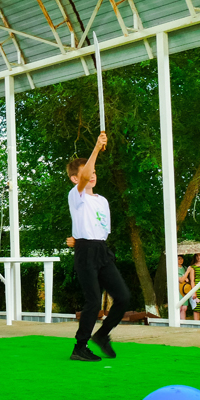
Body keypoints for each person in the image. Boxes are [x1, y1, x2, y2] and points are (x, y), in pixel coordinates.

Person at [67, 132, 130, 362]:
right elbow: (84, 178)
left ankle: (102, 335)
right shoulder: (77, 195)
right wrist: (96, 147)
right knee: (93, 301)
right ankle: (79, 347)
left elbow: (96, 228)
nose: (92, 175)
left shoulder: (102, 200)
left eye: (94, 172)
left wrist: (76, 238)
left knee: (123, 297)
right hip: (85, 252)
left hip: (102, 250)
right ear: (75, 178)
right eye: (87, 172)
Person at [182, 253, 200, 321]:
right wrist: (194, 292)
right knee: (196, 309)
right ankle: (196, 324)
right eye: (197, 255)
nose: (199, 257)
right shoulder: (193, 267)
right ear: (195, 257)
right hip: (197, 289)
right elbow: (192, 280)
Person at [177, 255, 189, 320]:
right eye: (179, 259)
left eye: (181, 259)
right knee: (179, 307)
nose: (180, 260)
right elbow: (181, 280)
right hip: (178, 289)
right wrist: (184, 278)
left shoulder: (184, 268)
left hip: (184, 289)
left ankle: (183, 322)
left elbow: (187, 279)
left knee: (184, 308)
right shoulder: (175, 268)